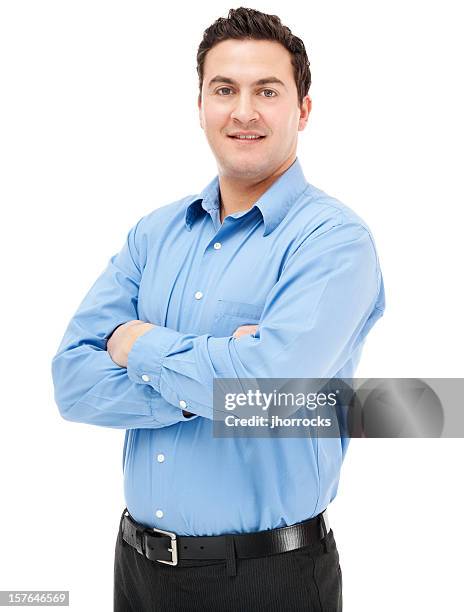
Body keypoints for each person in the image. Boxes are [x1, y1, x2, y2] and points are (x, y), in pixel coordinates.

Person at [51, 6, 385, 611]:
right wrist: (219, 377)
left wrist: (135, 346)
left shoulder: (333, 241)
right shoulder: (154, 234)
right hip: (139, 570)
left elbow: (265, 384)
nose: (244, 111)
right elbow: (72, 382)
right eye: (224, 89)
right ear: (200, 104)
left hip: (272, 577)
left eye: (268, 90)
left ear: (303, 109)